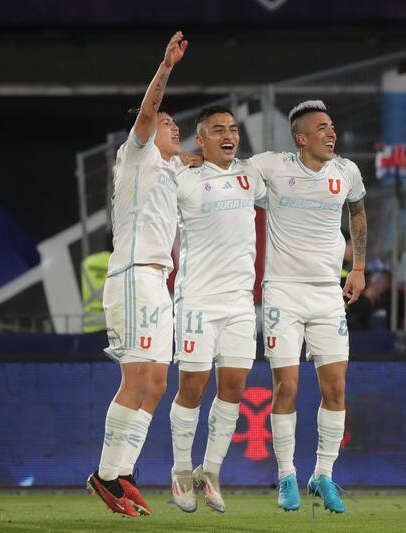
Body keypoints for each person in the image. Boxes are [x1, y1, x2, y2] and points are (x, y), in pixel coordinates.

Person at [246, 100, 367, 514]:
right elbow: (230, 169)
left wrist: (359, 267)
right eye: (321, 128)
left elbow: (358, 212)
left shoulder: (346, 172)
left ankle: (323, 474)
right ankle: (285, 475)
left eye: (332, 126)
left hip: (327, 294)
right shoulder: (273, 167)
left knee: (336, 388)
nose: (331, 133)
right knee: (288, 387)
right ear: (301, 138)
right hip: (282, 292)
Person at [86, 31, 188, 518]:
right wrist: (165, 69)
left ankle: (123, 471)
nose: (172, 127)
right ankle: (106, 475)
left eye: (174, 124)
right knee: (136, 378)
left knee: (157, 384)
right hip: (132, 275)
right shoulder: (137, 154)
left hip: (158, 283)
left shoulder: (170, 170)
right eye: (166, 122)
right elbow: (148, 114)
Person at [167, 105, 267, 514]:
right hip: (197, 303)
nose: (229, 134)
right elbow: (146, 167)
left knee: (234, 390)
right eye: (218, 129)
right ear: (201, 139)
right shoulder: (184, 178)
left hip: (240, 304)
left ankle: (210, 471)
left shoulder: (251, 175)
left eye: (233, 128)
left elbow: (293, 185)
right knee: (192, 386)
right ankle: (179, 472)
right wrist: (174, 157)